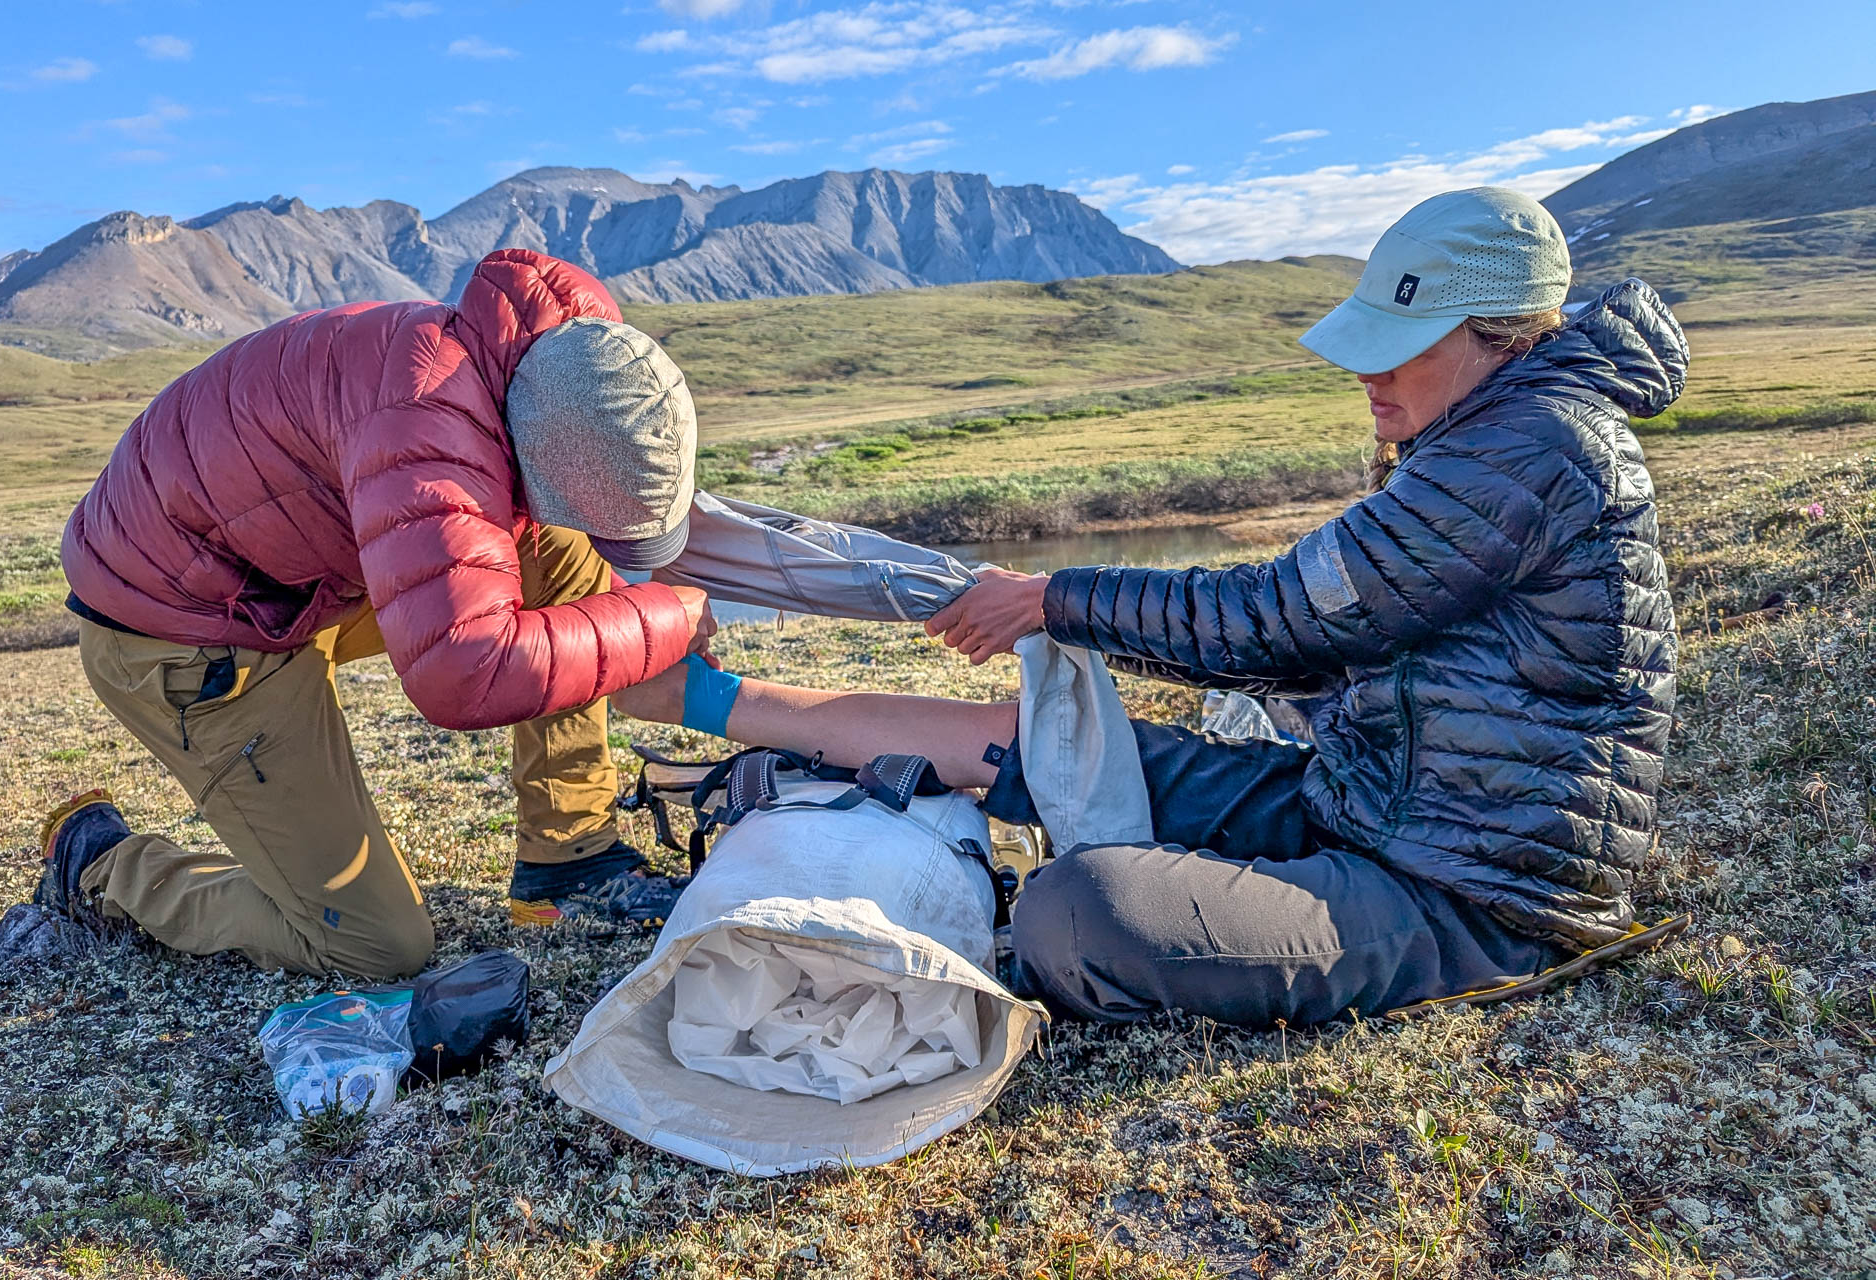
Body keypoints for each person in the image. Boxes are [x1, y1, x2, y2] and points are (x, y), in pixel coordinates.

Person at [616, 187, 1685, 1027]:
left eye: (1398, 343)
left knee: (1075, 911)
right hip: (1361, 804)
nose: (1367, 376)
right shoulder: (1488, 439)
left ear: (1500, 334)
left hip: (1467, 897)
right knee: (1042, 742)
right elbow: (1307, 640)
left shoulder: (1534, 447)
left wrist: (1054, 600)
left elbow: (1280, 615)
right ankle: (703, 699)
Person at [28, 249, 716, 981]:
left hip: (299, 580)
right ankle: (100, 864)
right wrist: (664, 619)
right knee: (375, 945)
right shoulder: (425, 434)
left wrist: (632, 613)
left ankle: (566, 860)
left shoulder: (547, 366)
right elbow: (465, 669)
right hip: (190, 637)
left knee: (564, 556)